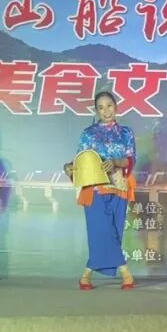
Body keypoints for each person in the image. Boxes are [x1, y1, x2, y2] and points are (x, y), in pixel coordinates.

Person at [64, 91, 137, 291]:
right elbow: (80, 159)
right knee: (101, 229)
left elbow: (131, 159)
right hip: (94, 187)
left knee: (114, 231)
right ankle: (125, 272)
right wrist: (68, 167)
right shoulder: (88, 133)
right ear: (96, 111)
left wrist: (115, 162)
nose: (106, 111)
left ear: (116, 107)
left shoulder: (126, 133)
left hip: (119, 186)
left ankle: (86, 275)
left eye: (109, 106)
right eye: (101, 107)